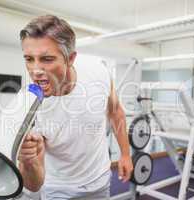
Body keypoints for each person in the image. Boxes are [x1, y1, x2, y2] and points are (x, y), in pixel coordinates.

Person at [18, 15, 133, 200]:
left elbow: (115, 111)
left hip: (100, 180)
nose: (36, 70)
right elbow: (33, 184)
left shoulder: (97, 71)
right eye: (29, 59)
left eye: (46, 59)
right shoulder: (29, 105)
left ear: (70, 58)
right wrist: (27, 161)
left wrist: (125, 154)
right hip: (57, 189)